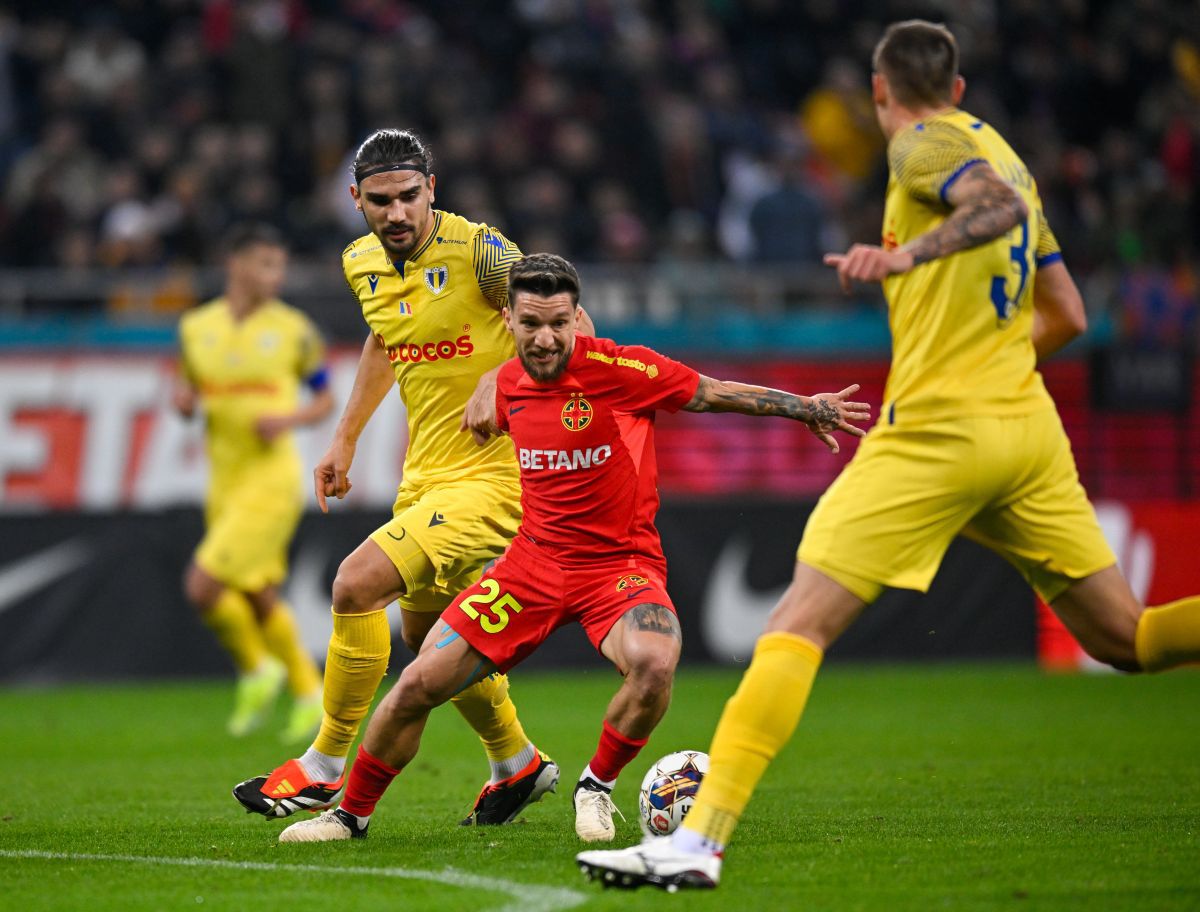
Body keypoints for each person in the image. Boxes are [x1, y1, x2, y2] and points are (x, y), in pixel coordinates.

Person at [576, 19, 1200, 890]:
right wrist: (992, 367)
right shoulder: (1010, 153)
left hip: (938, 431)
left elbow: (992, 207)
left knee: (794, 625)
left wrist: (906, 255)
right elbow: (1067, 315)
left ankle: (696, 843)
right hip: (1025, 431)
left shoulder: (921, 143)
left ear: (879, 91)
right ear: (960, 86)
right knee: (1128, 637)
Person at [271, 253, 870, 844]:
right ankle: (349, 817)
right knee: (417, 684)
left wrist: (806, 407)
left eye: (559, 322)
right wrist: (482, 390)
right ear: (508, 320)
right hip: (531, 566)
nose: (546, 338)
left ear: (577, 317)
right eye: (531, 324)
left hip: (618, 567)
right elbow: (471, 396)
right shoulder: (506, 385)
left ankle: (595, 787)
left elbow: (713, 393)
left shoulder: (623, 368)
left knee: (655, 662)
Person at [233, 130, 594, 825]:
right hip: (425, 472)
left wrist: (500, 377)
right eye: (380, 201)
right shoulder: (360, 261)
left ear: (432, 188)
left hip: (499, 475)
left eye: (408, 196)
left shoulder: (483, 254)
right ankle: (516, 762)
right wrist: (344, 436)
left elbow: (574, 325)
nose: (396, 213)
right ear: (355, 200)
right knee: (433, 641)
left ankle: (322, 767)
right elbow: (384, 340)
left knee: (355, 583)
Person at [175, 222, 332, 741]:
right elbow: (186, 386)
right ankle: (308, 691)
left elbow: (325, 398)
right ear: (236, 265)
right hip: (224, 478)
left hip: (271, 478)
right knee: (258, 590)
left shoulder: (295, 330)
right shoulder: (196, 327)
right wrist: (184, 402)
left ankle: (257, 668)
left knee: (202, 586)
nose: (276, 275)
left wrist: (288, 419)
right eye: (266, 264)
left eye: (280, 266)